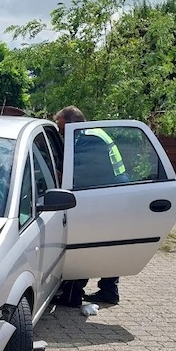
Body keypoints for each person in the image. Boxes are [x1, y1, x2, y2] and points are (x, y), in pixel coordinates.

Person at [54, 106, 128, 306]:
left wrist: (59, 176)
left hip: (106, 198)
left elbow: (85, 173)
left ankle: (73, 295)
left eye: (61, 128)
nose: (60, 133)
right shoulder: (91, 134)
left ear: (71, 123)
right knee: (108, 245)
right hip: (113, 195)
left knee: (85, 243)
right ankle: (109, 291)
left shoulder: (89, 139)